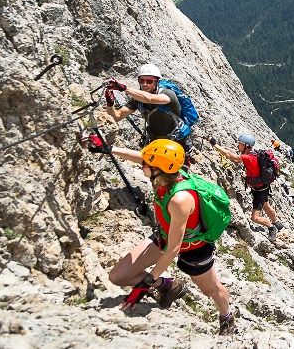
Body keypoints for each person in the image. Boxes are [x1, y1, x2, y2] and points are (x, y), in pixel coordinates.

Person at [88, 138, 236, 335]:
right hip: (164, 237)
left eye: (146, 164)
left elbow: (173, 249)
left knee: (210, 290)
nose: (142, 165)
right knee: (118, 276)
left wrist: (148, 280)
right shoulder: (167, 174)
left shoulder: (179, 199)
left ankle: (226, 317)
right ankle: (170, 286)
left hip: (193, 248)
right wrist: (108, 149)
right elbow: (142, 157)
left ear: (158, 169)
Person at [104, 63, 196, 164]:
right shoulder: (138, 99)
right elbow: (116, 116)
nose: (144, 84)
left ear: (157, 81)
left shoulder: (168, 94)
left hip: (176, 143)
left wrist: (124, 88)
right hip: (157, 143)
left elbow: (150, 99)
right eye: (141, 80)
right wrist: (110, 104)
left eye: (149, 81)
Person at [212, 133, 283, 241]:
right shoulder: (255, 154)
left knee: (255, 218)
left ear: (246, 145)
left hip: (259, 191)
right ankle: (277, 223)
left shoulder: (247, 157)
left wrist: (215, 145)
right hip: (263, 187)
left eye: (240, 143)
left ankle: (271, 228)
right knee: (266, 206)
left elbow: (232, 157)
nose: (238, 145)